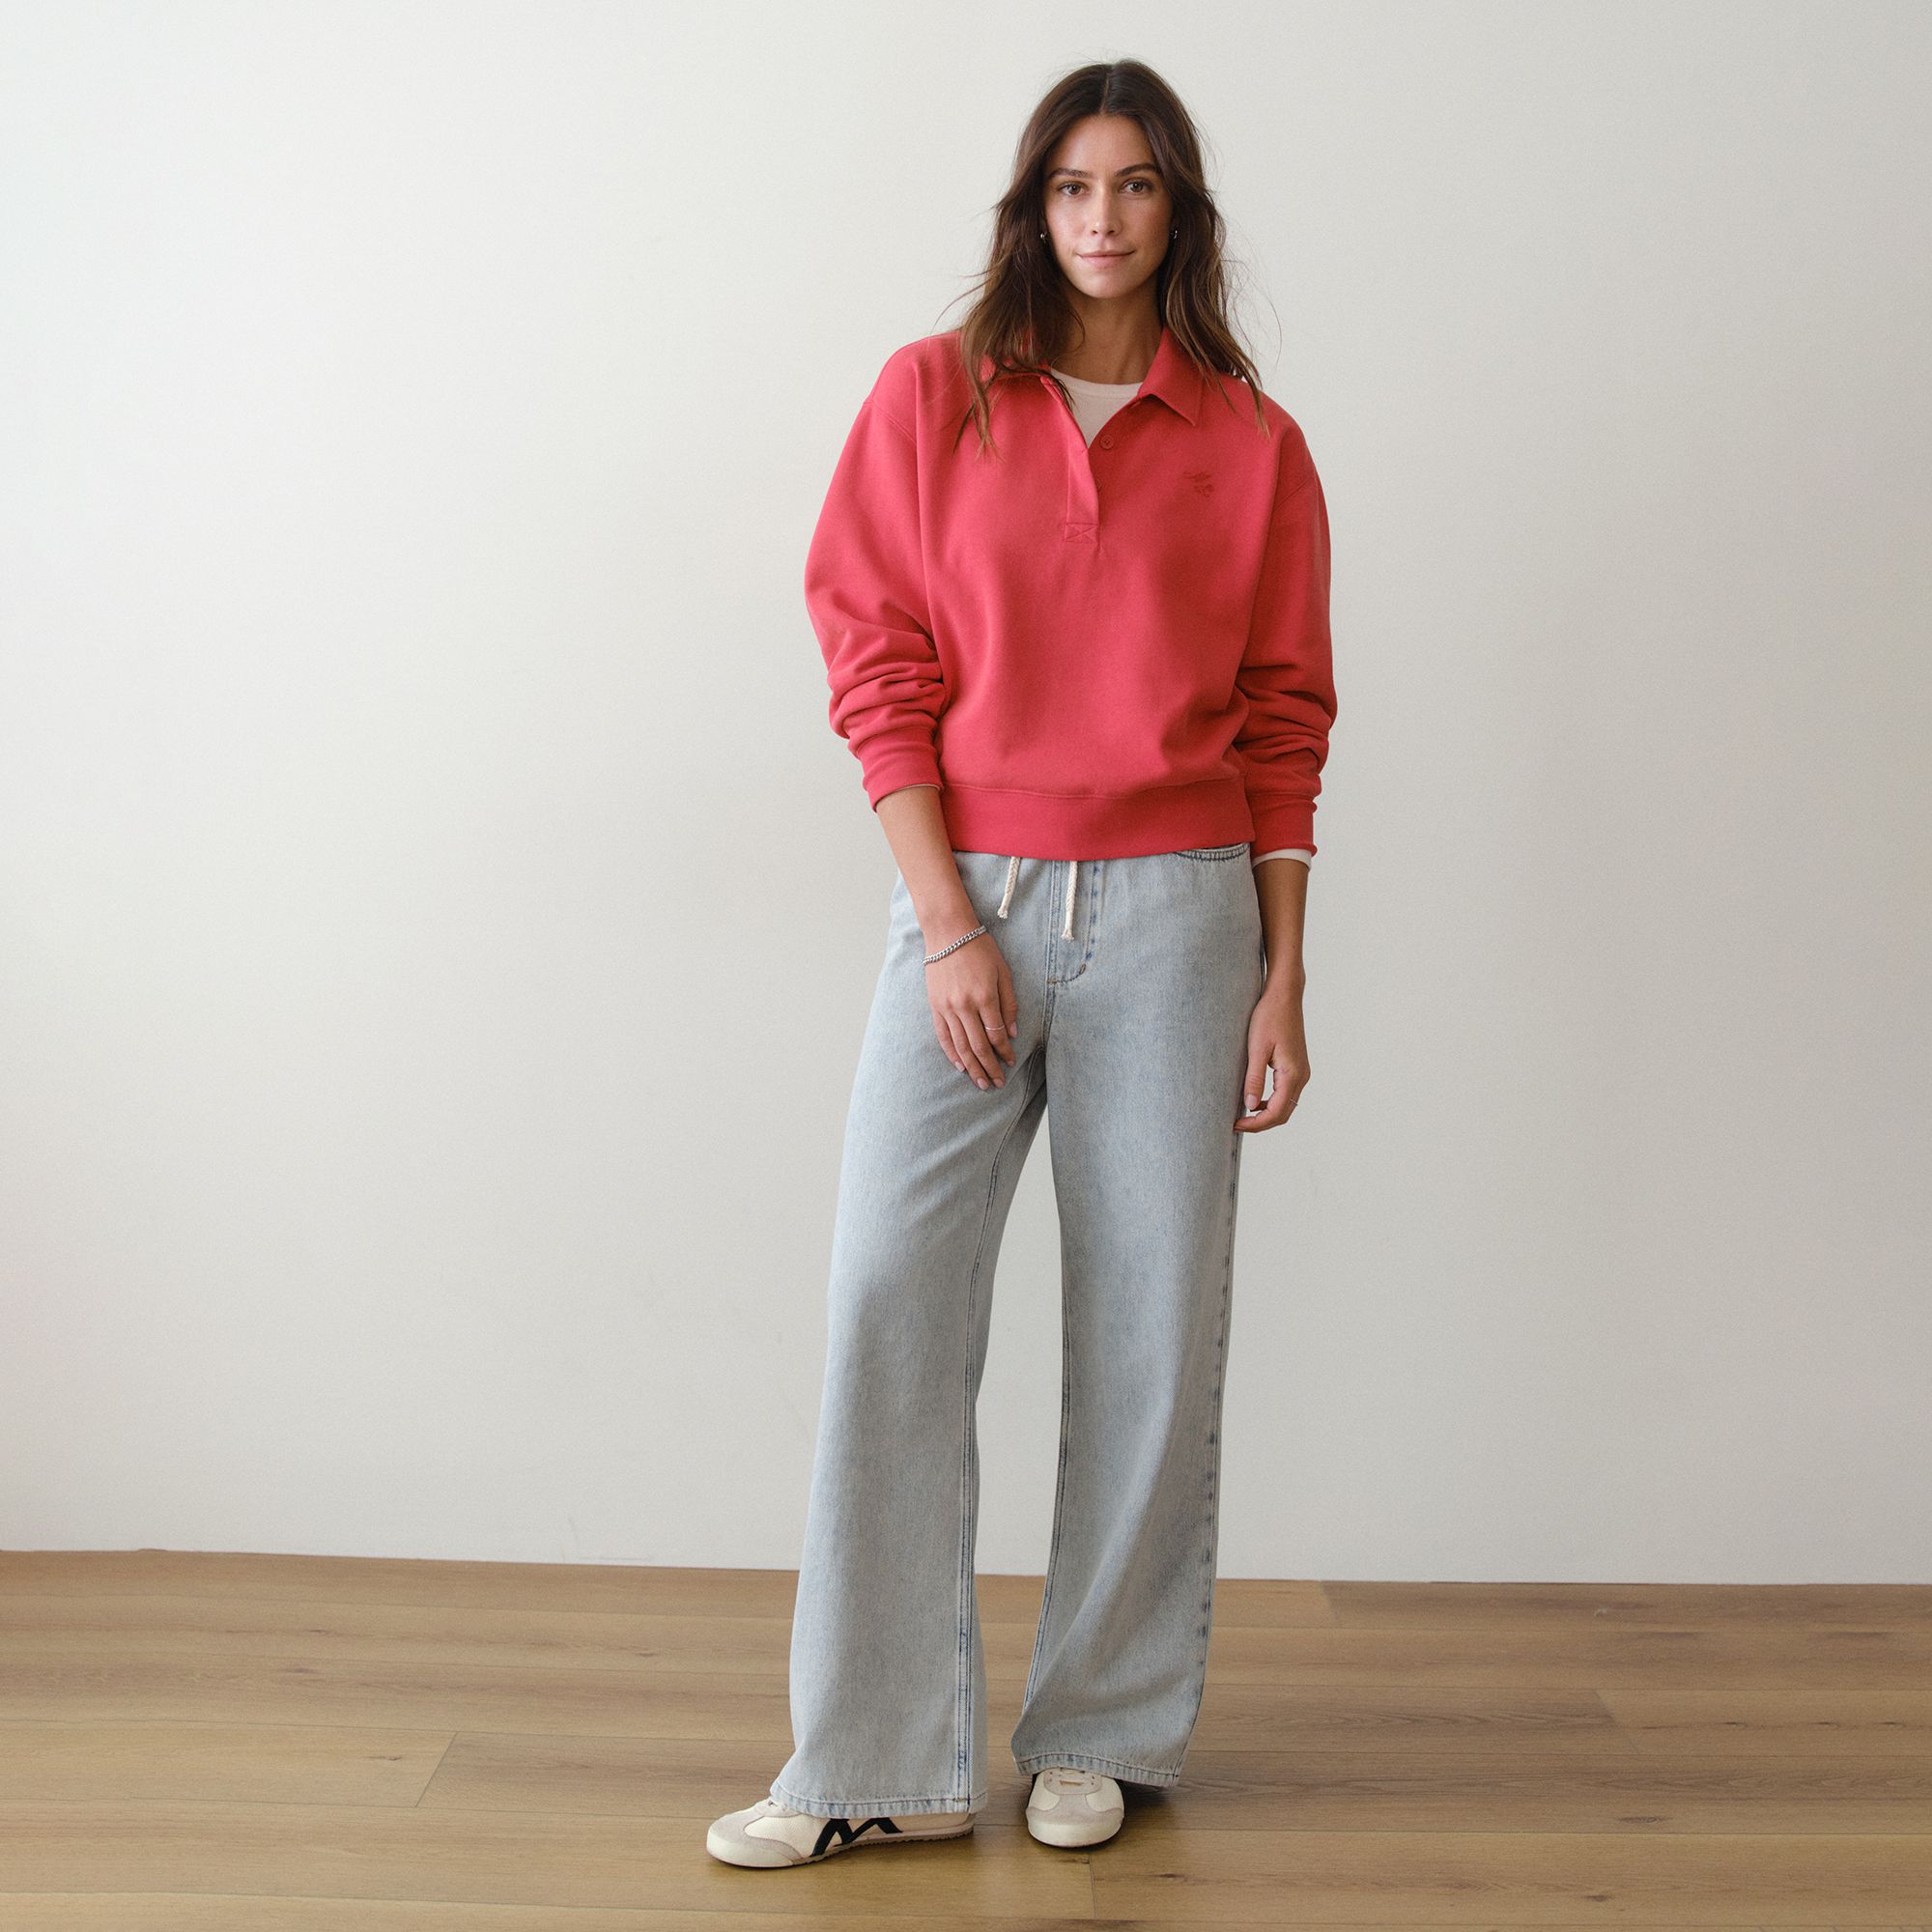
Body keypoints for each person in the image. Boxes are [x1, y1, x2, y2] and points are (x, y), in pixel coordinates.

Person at [706, 57, 1337, 1870]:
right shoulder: (933, 397)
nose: (1101, 218)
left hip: (1185, 915)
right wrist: (948, 923)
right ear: (1031, 207)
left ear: (1178, 209)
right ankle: (867, 1761)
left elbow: (1285, 721)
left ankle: (1102, 1732)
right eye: (1071, 186)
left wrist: (1285, 978)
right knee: (888, 1299)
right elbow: (876, 661)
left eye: (1133, 185)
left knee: (1152, 1329)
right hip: (966, 900)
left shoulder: (1253, 443)